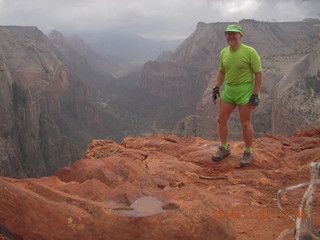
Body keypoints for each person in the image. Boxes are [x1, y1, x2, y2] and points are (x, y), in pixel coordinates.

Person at [211, 25, 262, 167]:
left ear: (241, 36)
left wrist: (255, 94)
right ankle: (224, 148)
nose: (230, 37)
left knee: (245, 122)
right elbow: (221, 71)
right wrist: (216, 87)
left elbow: (258, 74)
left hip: (245, 90)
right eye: (228, 34)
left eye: (234, 34)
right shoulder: (224, 52)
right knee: (221, 120)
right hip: (229, 89)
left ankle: (248, 151)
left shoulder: (250, 52)